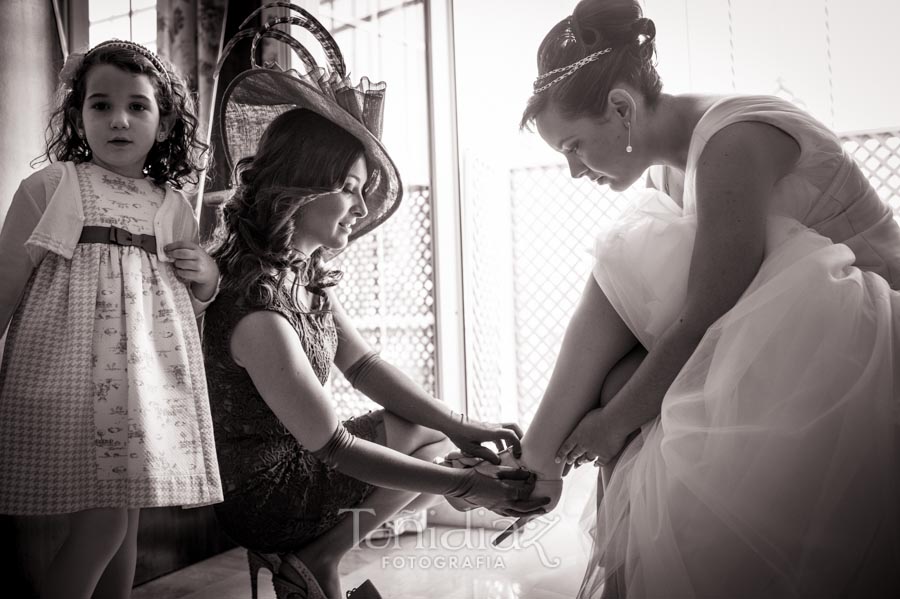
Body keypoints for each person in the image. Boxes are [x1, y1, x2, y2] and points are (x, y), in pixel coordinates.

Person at [456, 0, 900, 597]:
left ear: (620, 107)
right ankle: (549, 472)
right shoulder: (674, 172)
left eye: (574, 146)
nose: (573, 170)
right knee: (621, 378)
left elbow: (706, 314)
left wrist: (612, 425)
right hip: (792, 337)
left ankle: (536, 462)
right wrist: (611, 412)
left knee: (631, 273)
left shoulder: (733, 139)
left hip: (868, 341)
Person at [202, 9, 546, 599]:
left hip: (299, 462)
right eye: (352, 189)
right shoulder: (257, 304)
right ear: (303, 184)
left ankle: (314, 563)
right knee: (431, 455)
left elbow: (362, 367)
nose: (360, 209)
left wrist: (461, 425)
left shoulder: (297, 272)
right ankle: (313, 559)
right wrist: (467, 489)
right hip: (262, 494)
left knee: (430, 434)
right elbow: (334, 446)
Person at [0, 40, 222, 599]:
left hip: (142, 391)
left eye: (138, 106)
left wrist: (206, 279)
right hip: (72, 380)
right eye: (100, 105)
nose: (118, 119)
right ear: (78, 116)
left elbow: (181, 307)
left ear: (165, 120)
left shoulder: (172, 205)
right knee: (102, 523)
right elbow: (5, 282)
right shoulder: (51, 187)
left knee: (125, 522)